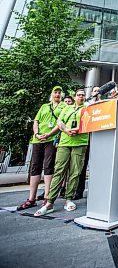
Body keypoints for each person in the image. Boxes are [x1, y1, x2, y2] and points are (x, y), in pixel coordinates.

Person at [34, 88, 89, 216]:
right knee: (59, 170)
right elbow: (59, 122)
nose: (81, 97)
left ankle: (69, 199)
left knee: (75, 172)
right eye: (79, 95)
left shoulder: (87, 109)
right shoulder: (67, 108)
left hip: (80, 142)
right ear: (75, 97)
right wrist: (66, 130)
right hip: (64, 142)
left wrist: (76, 129)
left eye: (83, 95)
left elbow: (89, 122)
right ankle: (50, 202)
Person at [17, 86, 65, 211]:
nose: (57, 94)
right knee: (35, 167)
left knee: (48, 166)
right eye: (55, 92)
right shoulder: (44, 106)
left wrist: (49, 134)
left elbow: (61, 123)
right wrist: (37, 134)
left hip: (51, 139)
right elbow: (36, 121)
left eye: (59, 92)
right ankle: (31, 198)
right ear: (52, 93)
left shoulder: (64, 107)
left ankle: (47, 197)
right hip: (38, 139)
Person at [74, 86, 101, 200]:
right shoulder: (86, 105)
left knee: (98, 166)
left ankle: (97, 191)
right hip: (86, 138)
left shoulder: (103, 105)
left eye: (98, 91)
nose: (96, 93)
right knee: (83, 165)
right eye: (95, 91)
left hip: (99, 139)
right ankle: (79, 191)